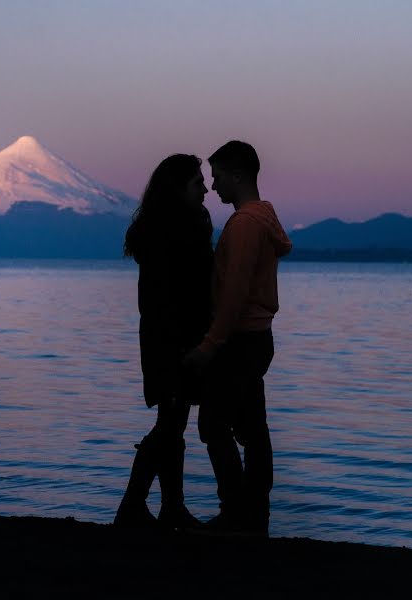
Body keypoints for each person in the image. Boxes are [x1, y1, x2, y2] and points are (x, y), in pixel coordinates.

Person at [184, 141, 292, 536]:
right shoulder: (262, 218)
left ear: (237, 175)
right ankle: (255, 516)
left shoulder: (245, 224)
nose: (212, 186)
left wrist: (210, 345)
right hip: (257, 338)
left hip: (240, 340)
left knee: (213, 425)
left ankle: (235, 513)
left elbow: (234, 292)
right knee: (252, 427)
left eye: (216, 177)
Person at [114, 154, 214, 530]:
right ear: (178, 187)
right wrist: (185, 344)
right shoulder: (170, 233)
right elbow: (170, 297)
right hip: (173, 341)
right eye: (196, 182)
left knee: (173, 421)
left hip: (166, 339)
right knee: (171, 423)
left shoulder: (164, 229)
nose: (204, 188)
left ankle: (169, 506)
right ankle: (134, 505)